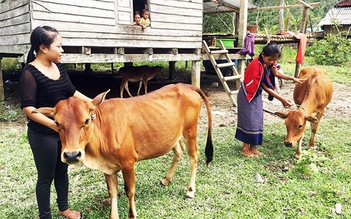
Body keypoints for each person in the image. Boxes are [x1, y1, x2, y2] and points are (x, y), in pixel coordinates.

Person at [19, 26, 91, 219]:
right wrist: (53, 125)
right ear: (43, 48)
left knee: (62, 172)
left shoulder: (58, 68)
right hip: (43, 134)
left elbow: (72, 92)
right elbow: (28, 108)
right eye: (59, 46)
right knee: (45, 177)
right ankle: (45, 216)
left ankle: (64, 208)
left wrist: (92, 104)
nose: (62, 50)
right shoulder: (30, 73)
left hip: (65, 131)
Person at [235, 42, 305, 158]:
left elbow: (276, 73)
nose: (272, 62)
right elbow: (264, 86)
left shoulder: (268, 62)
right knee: (249, 120)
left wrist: (292, 78)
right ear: (263, 55)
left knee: (258, 119)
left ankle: (253, 147)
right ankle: (245, 148)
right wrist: (281, 99)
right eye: (270, 59)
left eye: (274, 59)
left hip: (256, 94)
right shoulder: (255, 66)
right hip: (248, 94)